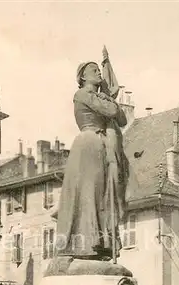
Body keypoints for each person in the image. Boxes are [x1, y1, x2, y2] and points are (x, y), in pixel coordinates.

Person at [55, 59, 128, 260]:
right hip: (88, 144)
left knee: (102, 195)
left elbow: (122, 120)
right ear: (83, 77)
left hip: (101, 146)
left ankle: (102, 243)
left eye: (99, 70)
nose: (99, 73)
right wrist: (107, 94)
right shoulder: (82, 95)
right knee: (89, 193)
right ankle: (85, 243)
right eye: (93, 71)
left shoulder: (99, 97)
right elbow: (113, 111)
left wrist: (106, 94)